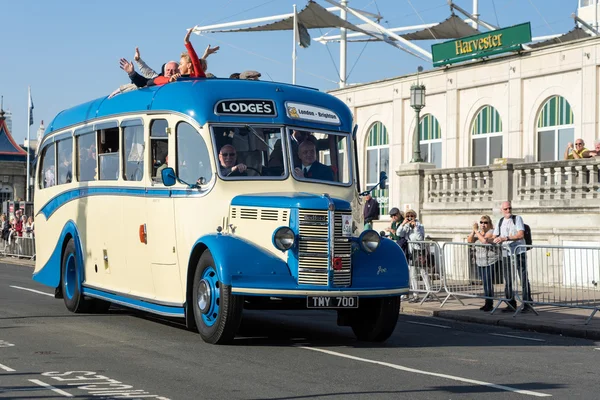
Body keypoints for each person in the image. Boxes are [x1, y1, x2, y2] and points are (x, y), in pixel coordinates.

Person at [492, 201, 532, 312]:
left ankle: (527, 303)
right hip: (506, 253)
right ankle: (510, 303)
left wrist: (505, 238)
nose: (508, 210)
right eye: (505, 209)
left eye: (509, 208)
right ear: (502, 210)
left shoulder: (517, 218)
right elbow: (494, 236)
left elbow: (520, 235)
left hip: (519, 252)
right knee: (508, 279)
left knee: (523, 277)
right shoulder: (500, 221)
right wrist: (485, 239)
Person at [467, 215, 498, 312]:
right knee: (484, 283)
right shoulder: (478, 232)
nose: (483, 225)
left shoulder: (491, 232)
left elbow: (484, 240)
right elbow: (469, 241)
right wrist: (473, 231)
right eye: (481, 222)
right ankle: (486, 302)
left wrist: (476, 231)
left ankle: (490, 304)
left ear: (489, 224)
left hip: (490, 261)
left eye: (485, 223)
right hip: (480, 262)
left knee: (488, 282)